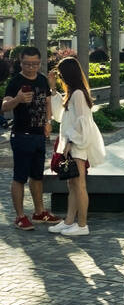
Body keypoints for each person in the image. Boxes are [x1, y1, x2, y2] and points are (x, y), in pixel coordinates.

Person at [2, 46, 61, 229]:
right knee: (20, 177)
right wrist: (18, 99)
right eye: (27, 64)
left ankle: (39, 212)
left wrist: (48, 121)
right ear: (21, 63)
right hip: (21, 135)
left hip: (38, 136)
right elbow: (4, 107)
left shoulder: (42, 79)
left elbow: (47, 101)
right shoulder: (15, 81)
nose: (31, 67)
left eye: (35, 64)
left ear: (40, 62)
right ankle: (20, 216)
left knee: (37, 176)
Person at [50, 55, 106, 237]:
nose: (60, 77)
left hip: (77, 144)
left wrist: (72, 141)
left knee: (79, 184)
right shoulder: (73, 93)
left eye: (60, 74)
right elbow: (60, 117)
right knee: (72, 183)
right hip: (71, 143)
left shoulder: (78, 94)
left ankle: (82, 224)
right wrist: (53, 89)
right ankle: (68, 221)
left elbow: (84, 122)